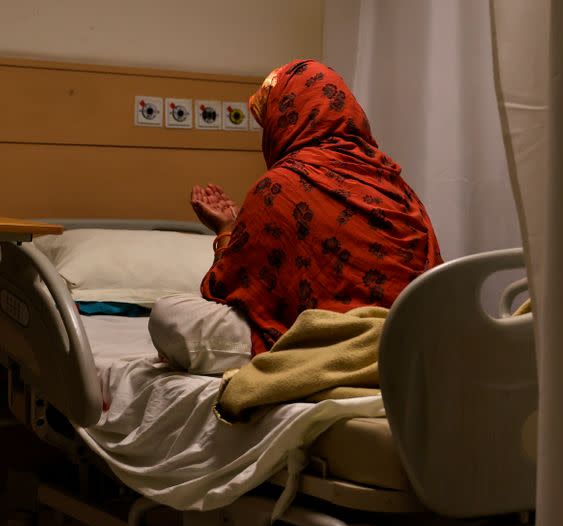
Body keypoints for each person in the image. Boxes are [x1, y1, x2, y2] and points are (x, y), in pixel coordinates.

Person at [149, 59, 442, 372]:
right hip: (410, 341)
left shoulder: (280, 188)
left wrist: (226, 230)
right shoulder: (395, 184)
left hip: (325, 340)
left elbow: (227, 289)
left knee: (169, 314)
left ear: (284, 119)